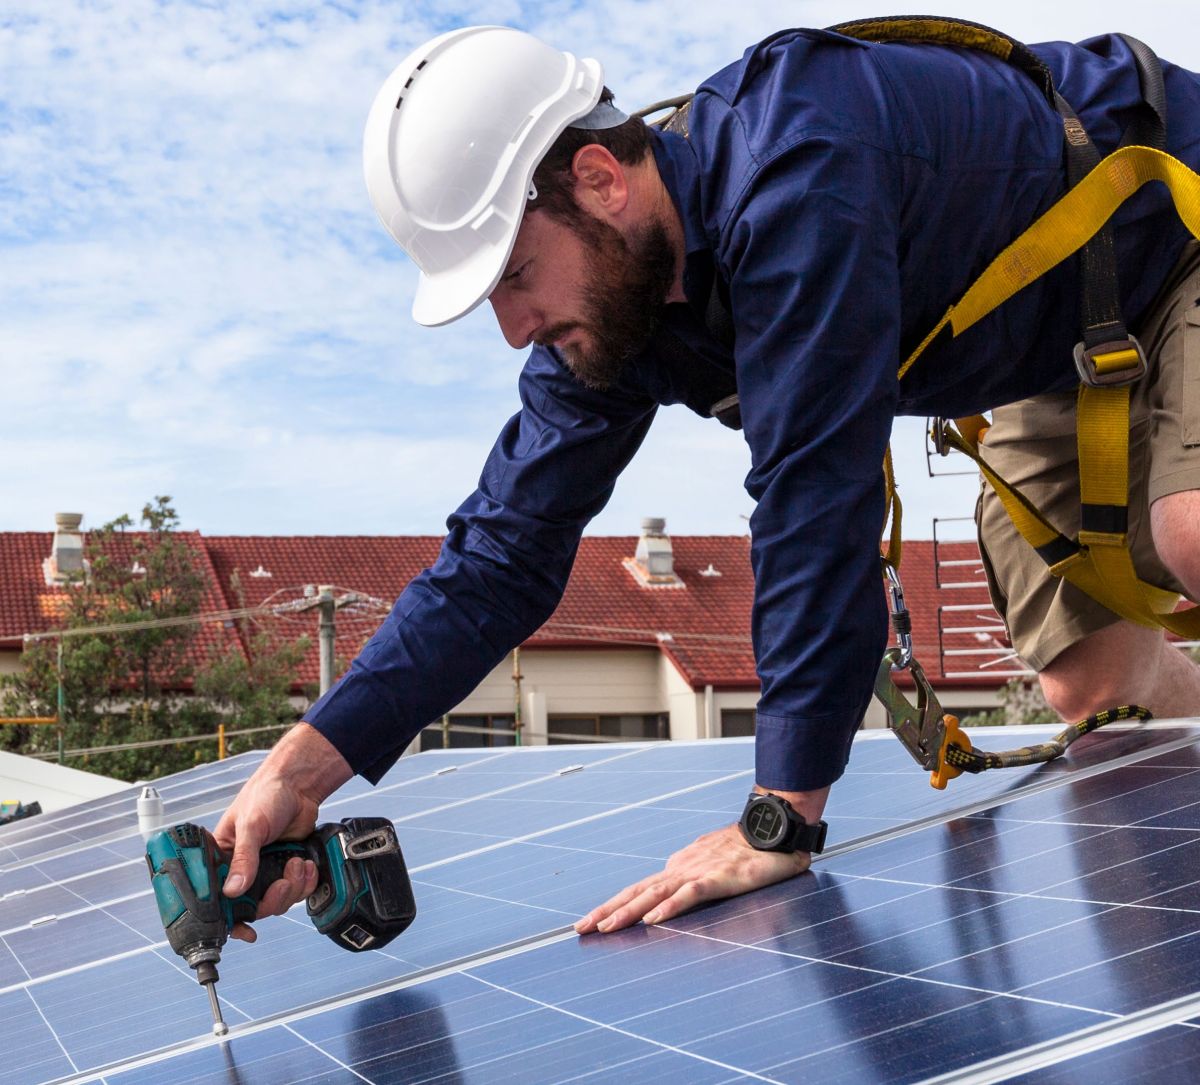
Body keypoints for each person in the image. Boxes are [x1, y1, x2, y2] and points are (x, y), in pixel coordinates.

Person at [215, 21, 1200, 938]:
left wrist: (782, 813)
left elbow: (816, 499)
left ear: (599, 179)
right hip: (1057, 348)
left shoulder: (799, 171)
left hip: (1175, 229)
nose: (514, 330)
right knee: (1093, 683)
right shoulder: (611, 318)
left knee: (1188, 528)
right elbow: (501, 555)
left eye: (514, 275)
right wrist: (304, 769)